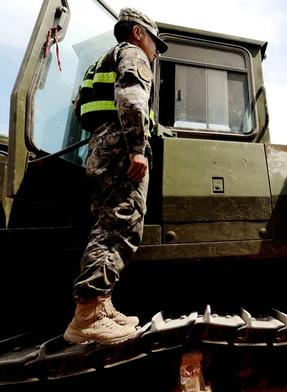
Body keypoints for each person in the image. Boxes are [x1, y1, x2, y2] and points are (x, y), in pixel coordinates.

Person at [64, 8, 168, 345]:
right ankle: (89, 315)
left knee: (108, 224)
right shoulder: (134, 53)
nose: (155, 51)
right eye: (155, 43)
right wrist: (137, 147)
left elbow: (83, 109)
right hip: (122, 150)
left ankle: (102, 306)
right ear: (139, 33)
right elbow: (132, 99)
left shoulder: (100, 61)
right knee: (119, 226)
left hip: (103, 148)